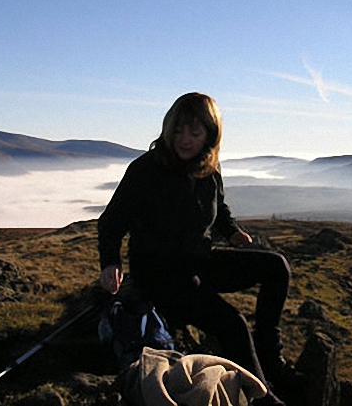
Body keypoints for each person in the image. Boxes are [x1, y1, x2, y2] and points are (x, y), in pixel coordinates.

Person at [98, 92, 291, 405]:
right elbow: (111, 223)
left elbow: (219, 207)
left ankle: (270, 358)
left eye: (194, 132)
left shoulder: (208, 168)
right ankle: (263, 398)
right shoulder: (145, 170)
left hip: (199, 260)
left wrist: (231, 232)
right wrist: (110, 263)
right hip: (159, 273)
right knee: (232, 323)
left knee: (276, 267)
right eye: (178, 130)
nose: (184, 139)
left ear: (210, 135)